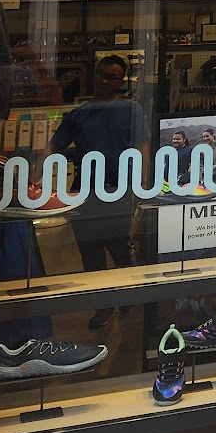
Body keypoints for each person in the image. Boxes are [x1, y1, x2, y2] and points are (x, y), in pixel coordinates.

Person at [50, 54, 144, 326]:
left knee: (120, 248)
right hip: (85, 192)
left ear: (121, 82)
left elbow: (143, 148)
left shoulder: (131, 110)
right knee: (90, 253)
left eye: (113, 77)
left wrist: (142, 186)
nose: (105, 81)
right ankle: (103, 307)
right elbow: (53, 148)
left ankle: (126, 295)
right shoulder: (77, 114)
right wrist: (34, 179)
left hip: (119, 189)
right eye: (102, 74)